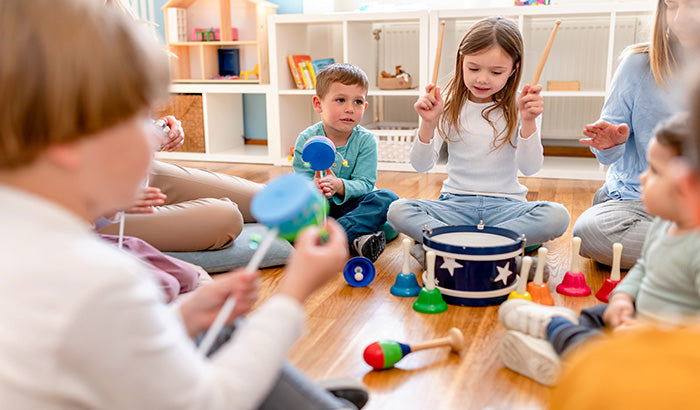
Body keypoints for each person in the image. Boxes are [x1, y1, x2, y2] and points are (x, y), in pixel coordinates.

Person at [0, 1, 365, 409]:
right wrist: (294, 292)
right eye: (140, 118)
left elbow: (108, 356)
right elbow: (211, 401)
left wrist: (183, 316)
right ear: (68, 142)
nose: (154, 130)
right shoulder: (99, 280)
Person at [497, 114, 700, 386]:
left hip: (664, 350)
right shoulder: (664, 224)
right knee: (596, 315)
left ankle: (555, 331)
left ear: (687, 187)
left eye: (654, 171)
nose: (642, 177)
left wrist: (654, 335)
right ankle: (571, 341)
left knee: (603, 352)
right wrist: (623, 298)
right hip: (638, 319)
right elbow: (643, 269)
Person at [386, 16, 569, 261]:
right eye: (473, 68)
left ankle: (447, 246)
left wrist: (528, 121)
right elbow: (421, 165)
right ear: (461, 61)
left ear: (514, 68)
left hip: (506, 206)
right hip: (454, 205)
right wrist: (428, 123)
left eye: (496, 71)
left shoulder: (524, 105)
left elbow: (530, 167)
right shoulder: (447, 103)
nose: (482, 79)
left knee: (557, 215)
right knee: (397, 210)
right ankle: (499, 247)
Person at [96, 0, 268, 253]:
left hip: (139, 177)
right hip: (94, 209)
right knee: (225, 218)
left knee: (266, 199)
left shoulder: (114, 66)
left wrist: (155, 130)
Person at [572, 0, 699, 268]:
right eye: (672, 6)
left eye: (692, 6)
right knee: (591, 232)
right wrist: (609, 143)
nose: (679, 19)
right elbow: (607, 155)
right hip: (641, 200)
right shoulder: (638, 64)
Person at [292, 63, 399, 263]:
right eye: (340, 100)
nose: (350, 109)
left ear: (365, 107)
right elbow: (301, 184)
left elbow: (366, 183)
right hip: (320, 207)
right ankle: (354, 239)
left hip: (354, 206)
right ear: (318, 104)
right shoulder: (306, 139)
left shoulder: (366, 140)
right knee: (294, 209)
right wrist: (313, 187)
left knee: (389, 200)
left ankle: (331, 237)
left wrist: (340, 185)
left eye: (358, 102)